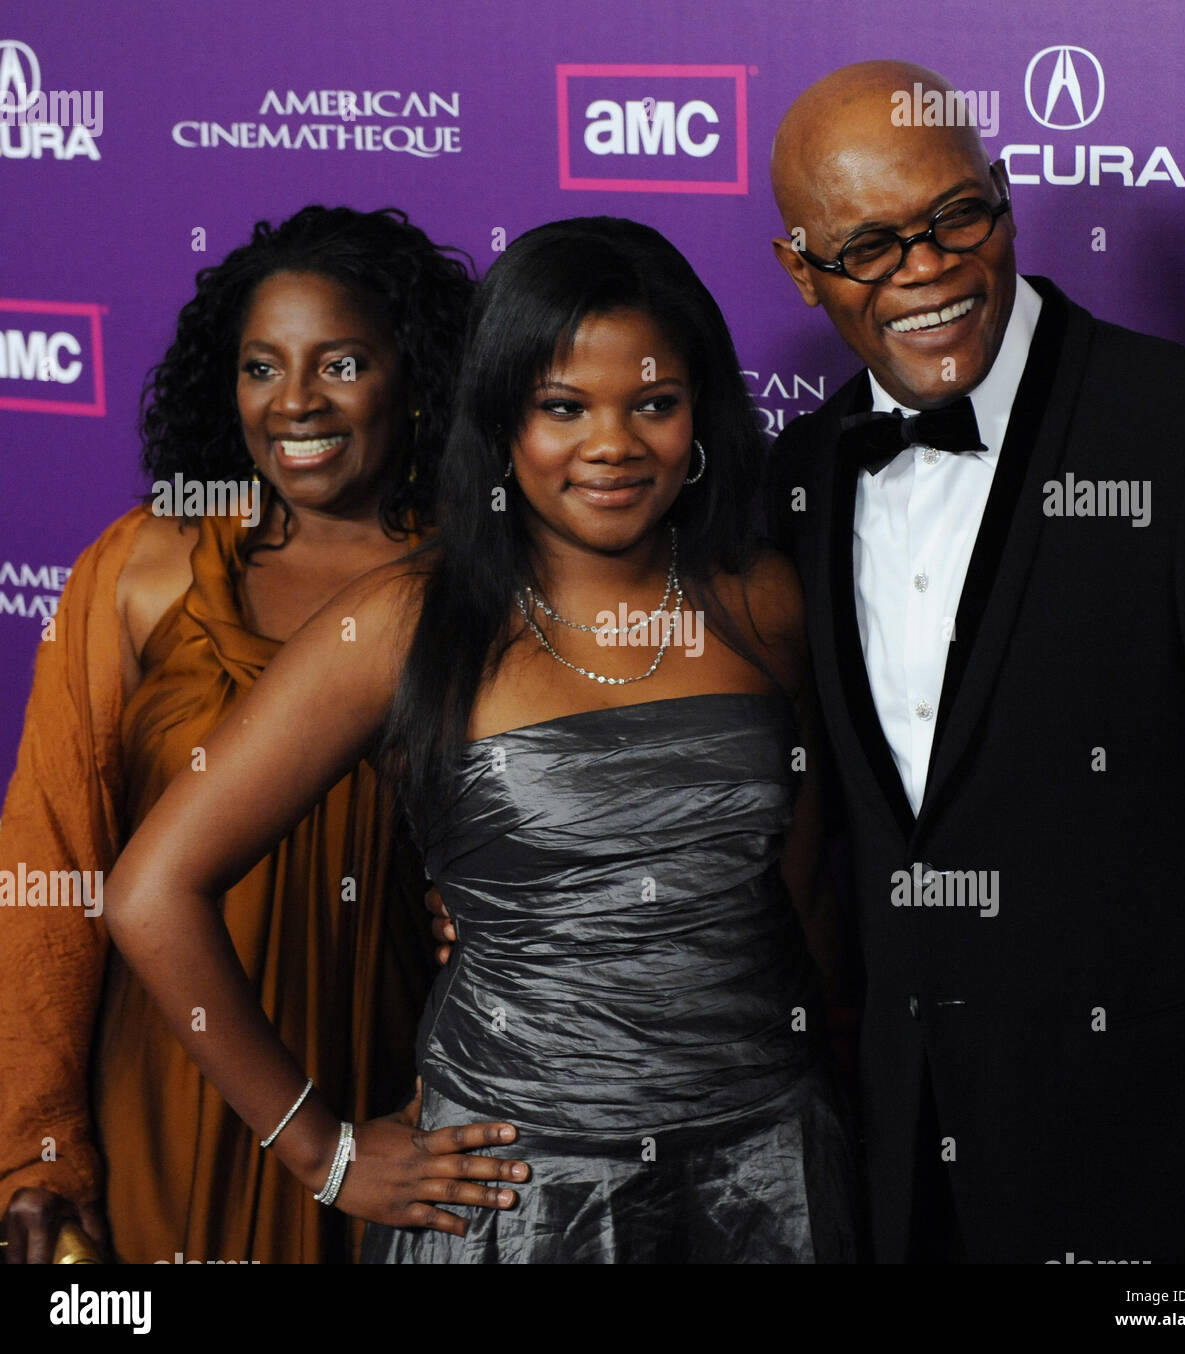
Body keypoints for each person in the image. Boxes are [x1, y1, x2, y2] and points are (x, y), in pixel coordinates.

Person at [99, 215, 860, 1264]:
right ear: (500, 417)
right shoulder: (404, 623)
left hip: (769, 1174)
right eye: (562, 407)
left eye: (653, 404)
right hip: (524, 1192)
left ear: (702, 412)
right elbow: (149, 891)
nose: (610, 445)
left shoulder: (760, 599)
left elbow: (797, 888)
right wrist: (320, 1151)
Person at [763, 60, 1185, 1264]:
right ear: (800, 268)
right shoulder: (799, 478)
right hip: (903, 1171)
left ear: (1005, 194)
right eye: (870, 245)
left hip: (1161, 1181)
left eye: (960, 214)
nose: (930, 269)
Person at [0, 205, 522, 1265]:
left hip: (394, 1102)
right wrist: (39, 1150)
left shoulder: (480, 591)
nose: (294, 402)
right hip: (162, 1088)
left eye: (340, 363)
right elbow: (49, 862)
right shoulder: (142, 569)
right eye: (259, 367)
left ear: (416, 378)